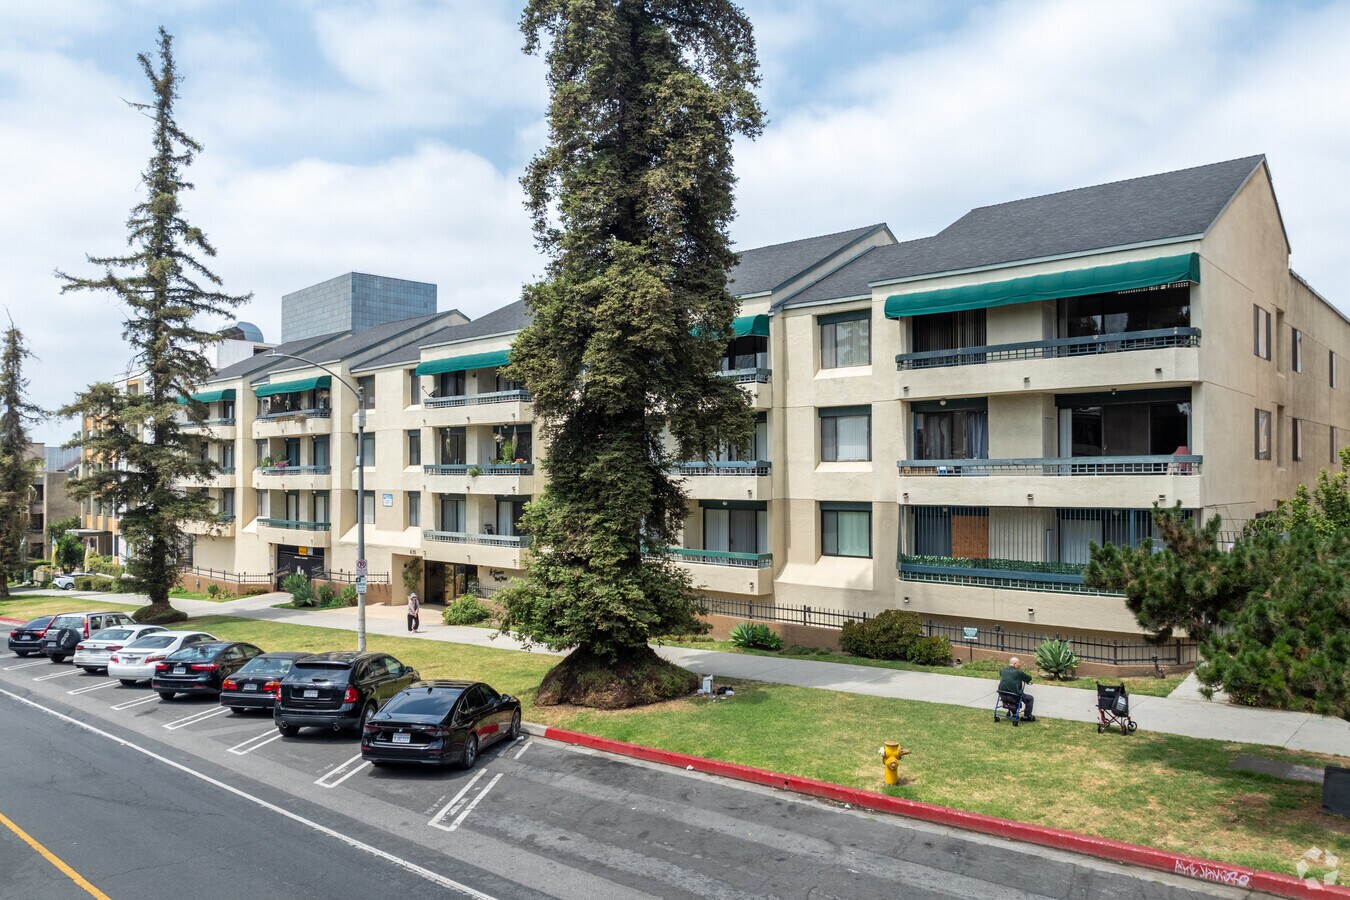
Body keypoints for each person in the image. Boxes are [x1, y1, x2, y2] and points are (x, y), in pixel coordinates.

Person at [998, 657, 1035, 721]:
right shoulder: (1019, 672)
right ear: (1014, 664)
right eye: (1019, 663)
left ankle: (1012, 710)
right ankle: (1026, 716)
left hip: (1002, 695)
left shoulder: (1002, 670)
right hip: (1014, 696)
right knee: (1030, 698)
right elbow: (1029, 678)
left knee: (1010, 692)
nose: (1020, 665)